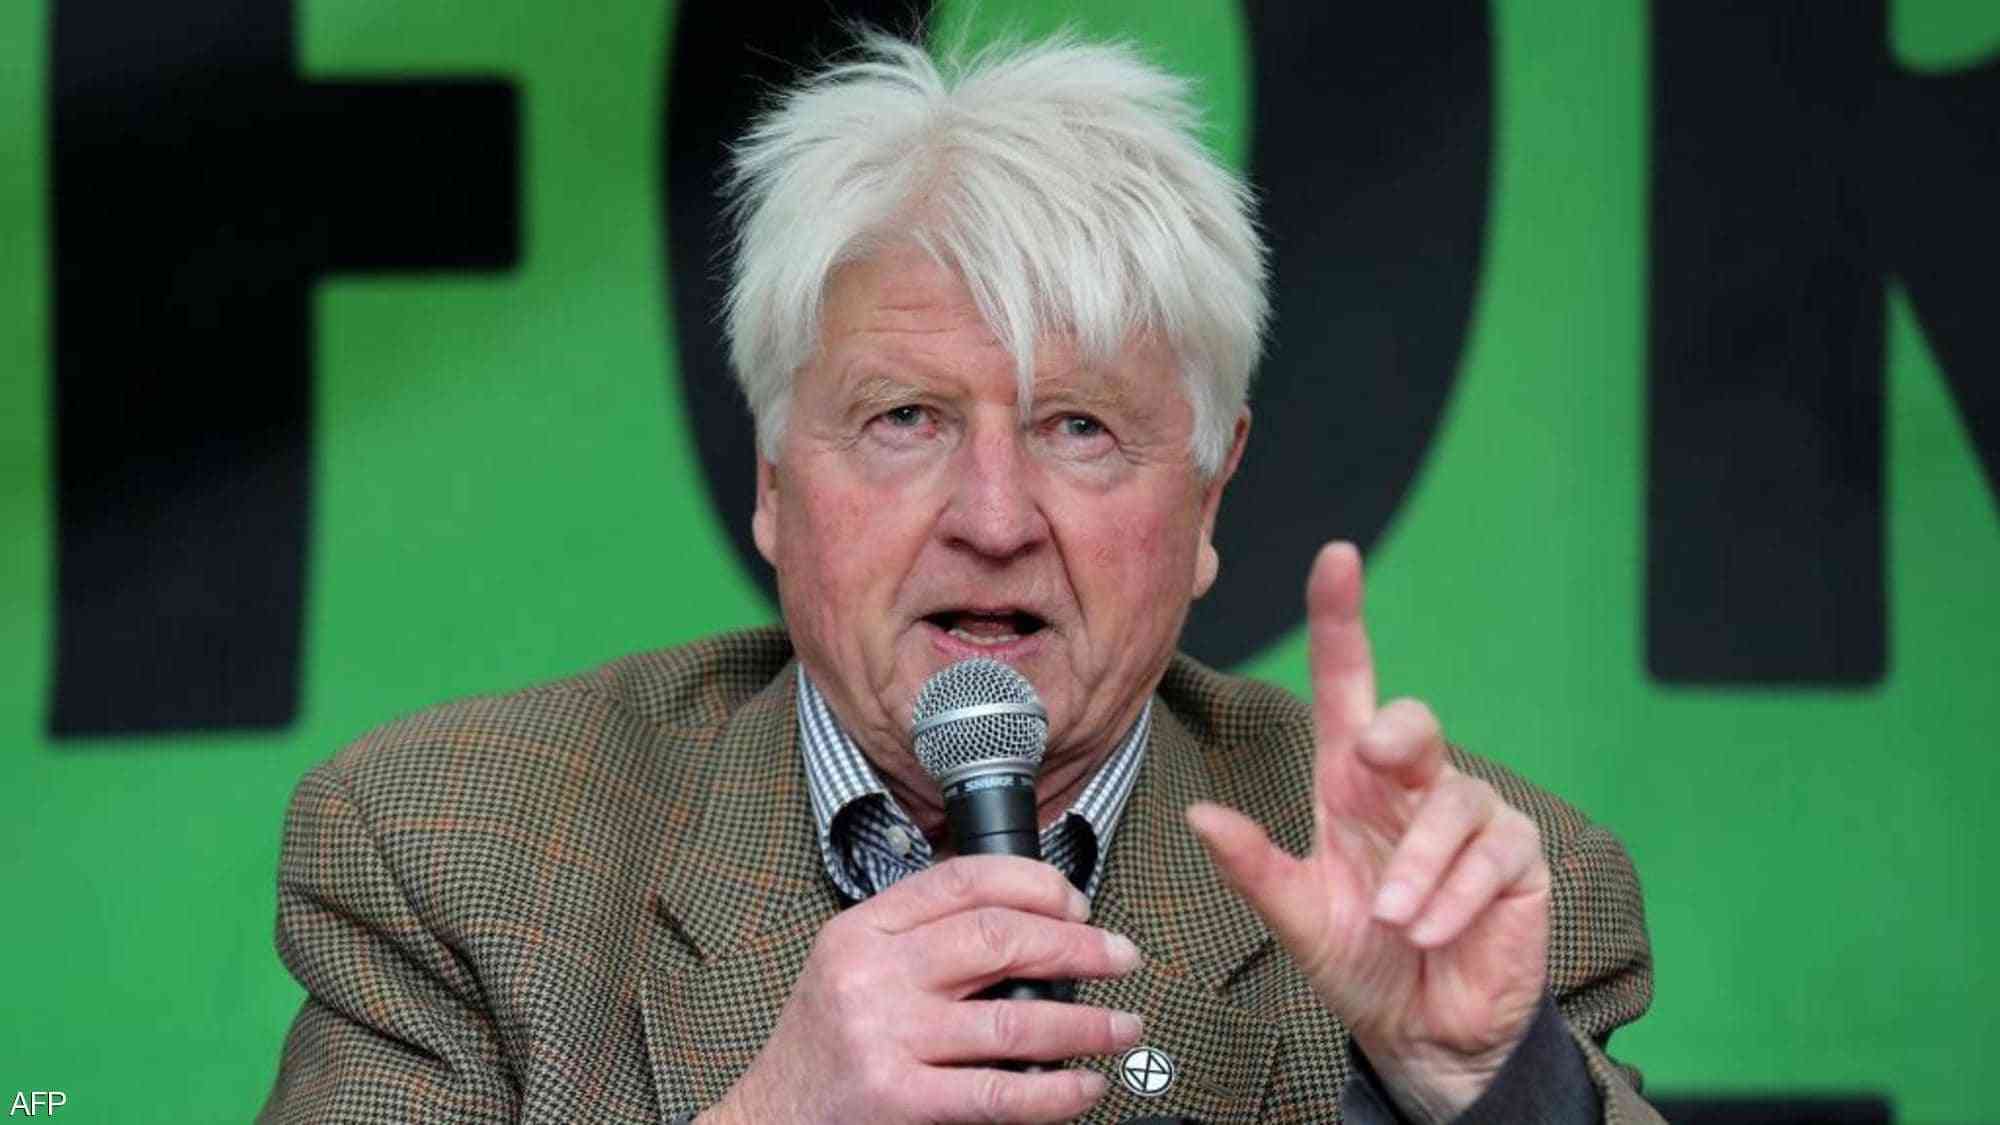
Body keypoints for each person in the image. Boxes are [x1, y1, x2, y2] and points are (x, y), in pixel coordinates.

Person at [260, 31, 1660, 1124]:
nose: (993, 520)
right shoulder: (454, 856)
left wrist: (1480, 1091)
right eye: (905, 420)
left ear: (1209, 496)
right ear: (772, 480)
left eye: (1080, 428)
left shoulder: (1461, 903)